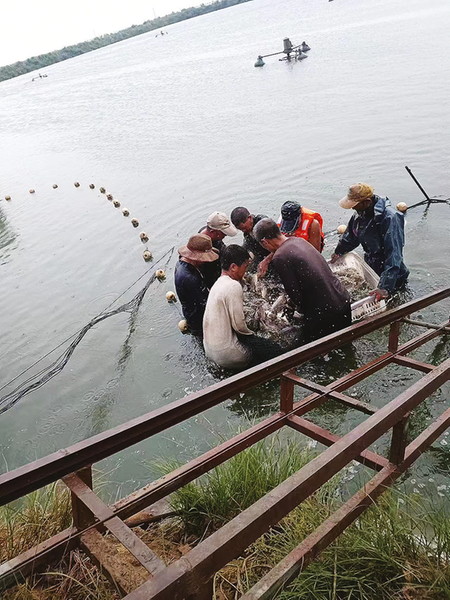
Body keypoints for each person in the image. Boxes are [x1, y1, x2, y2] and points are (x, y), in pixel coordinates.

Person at [254, 218, 351, 342]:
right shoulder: (298, 240)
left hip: (326, 313)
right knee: (345, 342)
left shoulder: (279, 257)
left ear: (265, 242)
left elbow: (295, 295)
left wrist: (295, 315)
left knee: (317, 349)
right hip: (343, 299)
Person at [203, 245, 283, 370]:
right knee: (276, 350)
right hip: (228, 355)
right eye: (245, 267)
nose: (245, 272)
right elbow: (239, 327)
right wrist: (260, 338)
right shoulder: (233, 286)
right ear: (233, 267)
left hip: (210, 350)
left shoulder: (217, 284)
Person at [331, 183, 409, 301]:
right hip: (372, 265)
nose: (353, 208)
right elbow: (350, 237)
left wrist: (385, 287)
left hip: (393, 273)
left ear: (367, 202)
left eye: (355, 205)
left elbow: (394, 254)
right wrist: (338, 252)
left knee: (394, 302)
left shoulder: (390, 218)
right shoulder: (359, 214)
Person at [174, 234, 219, 335]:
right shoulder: (189, 278)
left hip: (190, 309)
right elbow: (202, 304)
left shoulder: (181, 263)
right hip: (197, 319)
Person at [198, 211, 238, 289]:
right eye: (223, 233)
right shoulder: (202, 247)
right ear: (213, 232)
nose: (225, 235)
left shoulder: (213, 235)